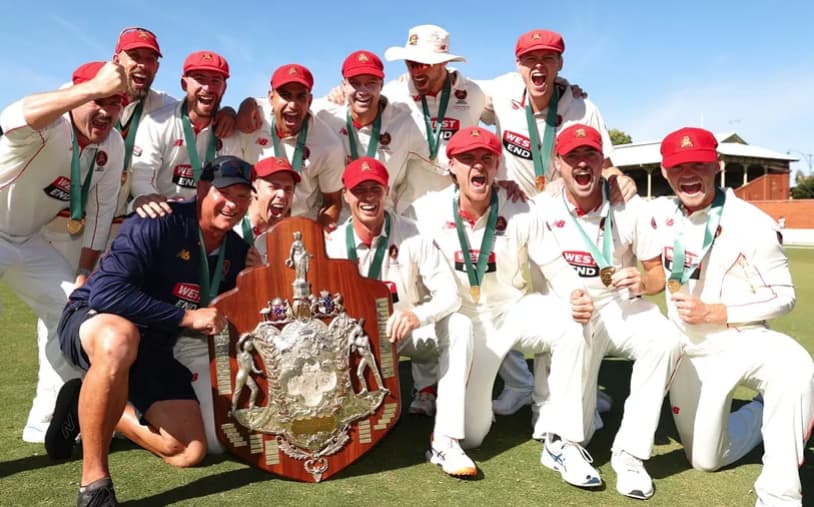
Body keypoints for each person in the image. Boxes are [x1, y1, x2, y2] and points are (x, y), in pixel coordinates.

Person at [45, 156, 253, 506]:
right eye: (224, 192)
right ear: (203, 189)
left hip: (153, 344)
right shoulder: (157, 221)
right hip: (96, 321)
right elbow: (106, 294)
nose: (233, 204)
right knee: (121, 338)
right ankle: (94, 483)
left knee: (188, 450)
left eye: (242, 196)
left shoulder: (237, 250)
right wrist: (186, 318)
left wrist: (255, 277)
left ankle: (88, 403)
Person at [407, 127, 601, 486]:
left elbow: (556, 266)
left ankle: (562, 440)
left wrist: (575, 293)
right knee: (473, 435)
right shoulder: (426, 210)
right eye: (468, 159)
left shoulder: (520, 206)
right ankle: (451, 434)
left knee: (574, 321)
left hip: (512, 311)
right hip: (463, 319)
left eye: (486, 158)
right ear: (451, 166)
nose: (478, 166)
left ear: (498, 165)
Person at [653, 127, 814, 507]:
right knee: (706, 460)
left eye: (699, 164)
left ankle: (779, 494)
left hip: (742, 339)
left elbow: (785, 296)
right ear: (664, 172)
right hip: (689, 349)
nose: (688, 174)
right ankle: (761, 411)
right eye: (678, 167)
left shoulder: (752, 223)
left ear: (717, 166)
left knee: (793, 366)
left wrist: (717, 312)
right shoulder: (657, 214)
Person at [481, 29, 621, 416]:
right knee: (497, 297)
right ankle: (519, 384)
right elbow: (447, 89)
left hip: (562, 219)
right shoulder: (500, 90)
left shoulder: (582, 107)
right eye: (530, 59)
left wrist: (621, 180)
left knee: (567, 304)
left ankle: (569, 391)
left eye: (547, 58)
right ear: (518, 64)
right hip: (512, 216)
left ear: (560, 63)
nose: (538, 66)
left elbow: (607, 164)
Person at [540, 124, 683, 498]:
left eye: (589, 154)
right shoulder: (544, 208)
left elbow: (656, 275)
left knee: (666, 339)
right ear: (558, 163)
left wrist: (642, 281)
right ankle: (566, 443)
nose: (581, 163)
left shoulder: (631, 206)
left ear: (603, 161)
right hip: (571, 305)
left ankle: (630, 454)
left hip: (619, 305)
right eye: (572, 156)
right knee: (571, 328)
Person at [0, 60, 126, 443]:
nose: (105, 111)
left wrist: (83, 275)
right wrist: (91, 88)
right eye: (98, 100)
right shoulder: (51, 124)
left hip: (26, 240)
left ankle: (46, 423)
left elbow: (101, 214)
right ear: (77, 95)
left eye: (115, 103)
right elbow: (10, 119)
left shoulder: (112, 144)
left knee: (73, 311)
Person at [326, 157, 476, 476]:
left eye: (375, 189)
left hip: (404, 331)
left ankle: (446, 440)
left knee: (460, 325)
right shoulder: (333, 243)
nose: (368, 197)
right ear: (346, 195)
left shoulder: (414, 233)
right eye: (359, 190)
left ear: (387, 192)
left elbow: (449, 294)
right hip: (354, 342)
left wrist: (416, 315)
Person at [312, 50, 426, 213]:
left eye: (371, 83)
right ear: (344, 85)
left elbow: (440, 164)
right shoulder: (324, 117)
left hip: (384, 218)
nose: (363, 91)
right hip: (337, 220)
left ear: (381, 84)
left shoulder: (406, 123)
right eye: (355, 83)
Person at [129, 50, 241, 217]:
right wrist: (162, 207)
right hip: (164, 215)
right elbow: (142, 179)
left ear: (224, 88)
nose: (208, 88)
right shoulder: (157, 122)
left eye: (215, 81)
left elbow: (233, 187)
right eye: (200, 79)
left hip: (208, 220)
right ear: (184, 84)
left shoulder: (231, 132)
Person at [237, 64, 345, 230]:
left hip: (298, 227)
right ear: (271, 98)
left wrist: (316, 238)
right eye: (286, 96)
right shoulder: (252, 119)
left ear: (310, 101)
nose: (293, 105)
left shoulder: (329, 145)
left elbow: (332, 202)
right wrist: (234, 109)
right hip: (250, 223)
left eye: (301, 97)